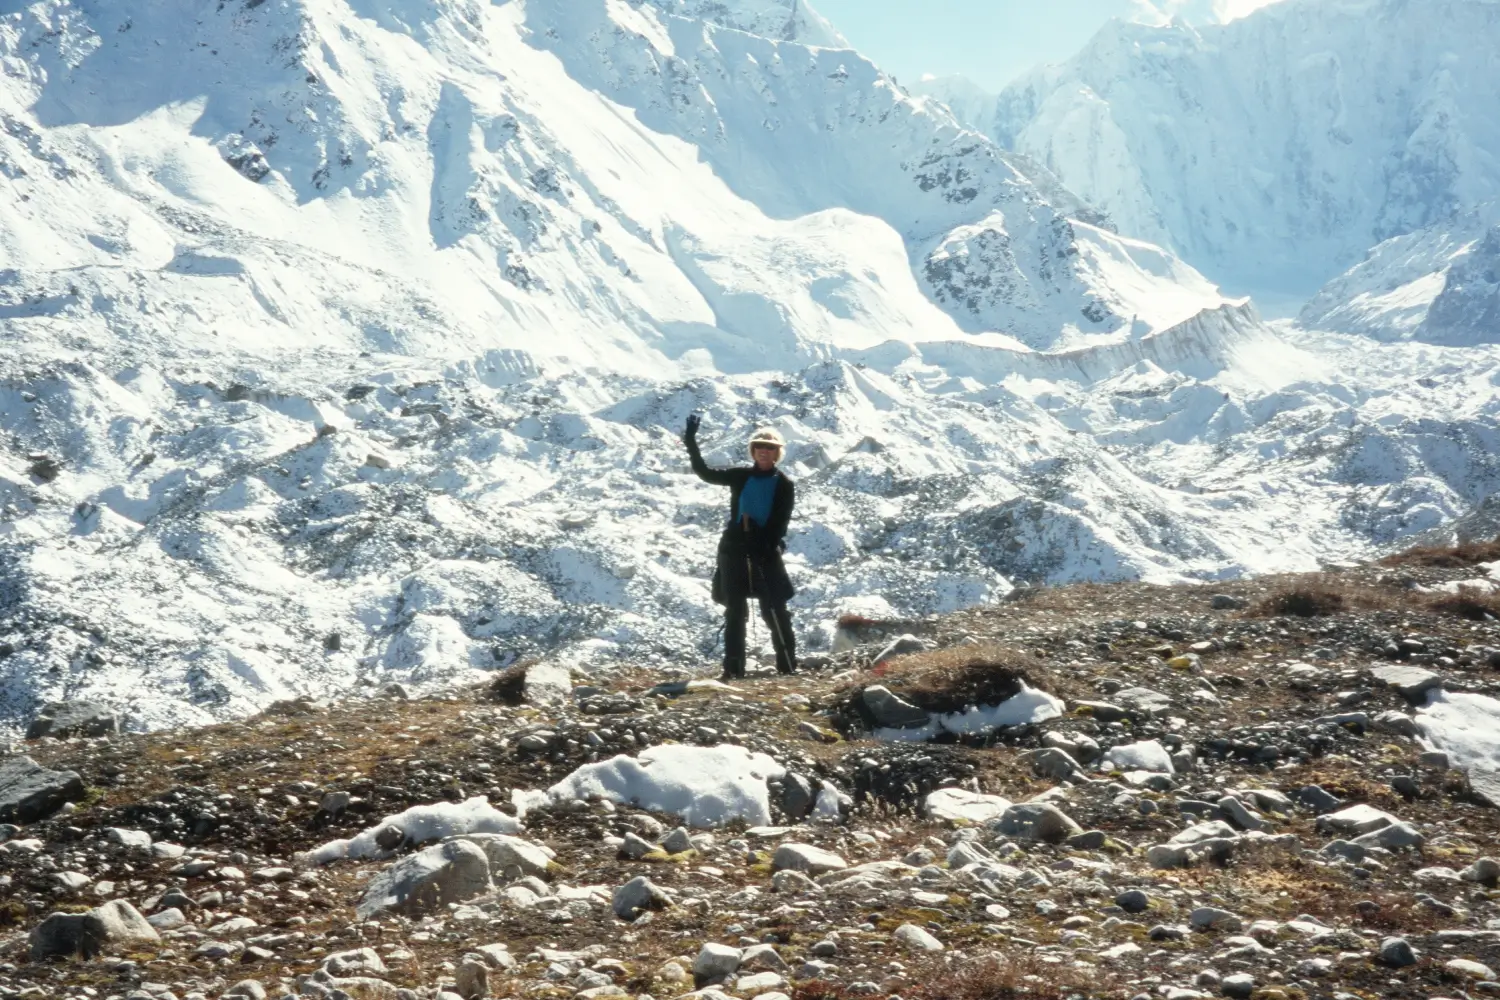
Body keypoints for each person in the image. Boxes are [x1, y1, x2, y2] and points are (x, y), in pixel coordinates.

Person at [683, 413, 797, 680]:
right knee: (735, 609)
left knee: (775, 608)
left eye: (769, 449)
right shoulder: (740, 476)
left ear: (777, 453)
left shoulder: (784, 485)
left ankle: (788, 665)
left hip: (765, 549)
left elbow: (781, 521)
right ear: (753, 451)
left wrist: (764, 541)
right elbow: (705, 473)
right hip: (734, 547)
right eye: (759, 448)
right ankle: (734, 669)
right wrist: (691, 442)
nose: (764, 452)